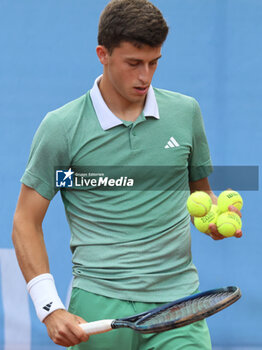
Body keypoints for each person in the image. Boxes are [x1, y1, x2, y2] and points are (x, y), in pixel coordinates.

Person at [12, 0, 242, 349]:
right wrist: (49, 308)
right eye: (133, 63)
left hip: (177, 304)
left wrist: (213, 218)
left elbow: (201, 194)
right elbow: (25, 221)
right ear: (102, 54)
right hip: (98, 304)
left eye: (154, 63)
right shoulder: (61, 128)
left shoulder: (185, 113)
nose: (145, 76)